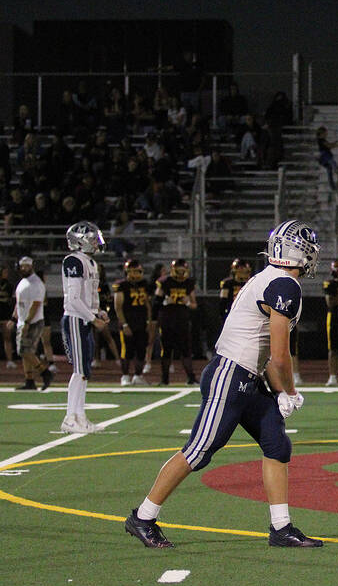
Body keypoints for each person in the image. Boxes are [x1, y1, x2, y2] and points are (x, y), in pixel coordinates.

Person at [124, 221, 322, 549]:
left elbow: (266, 354)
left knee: (277, 444)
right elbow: (279, 355)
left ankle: (281, 527)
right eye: (306, 248)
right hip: (230, 376)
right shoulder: (284, 285)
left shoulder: (272, 279)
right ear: (294, 252)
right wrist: (289, 391)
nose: (311, 253)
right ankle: (143, 517)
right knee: (200, 449)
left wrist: (277, 390)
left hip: (249, 376)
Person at [59, 222, 109, 432]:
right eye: (92, 239)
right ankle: (70, 417)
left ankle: (79, 416)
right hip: (75, 319)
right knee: (79, 371)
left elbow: (89, 295)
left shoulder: (89, 262)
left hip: (84, 319)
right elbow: (73, 299)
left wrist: (98, 312)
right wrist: (92, 317)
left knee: (84, 371)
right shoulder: (74, 261)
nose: (96, 244)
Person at [155, 259, 199, 385]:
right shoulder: (165, 282)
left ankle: (191, 378)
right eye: (178, 270)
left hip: (182, 320)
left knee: (186, 351)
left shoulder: (189, 283)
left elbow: (194, 305)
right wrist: (165, 301)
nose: (180, 273)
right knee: (167, 351)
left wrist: (188, 303)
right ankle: (164, 379)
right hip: (167, 320)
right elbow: (156, 302)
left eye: (182, 270)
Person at [13, 257, 54, 391]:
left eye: (26, 266)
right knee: (26, 351)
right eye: (22, 266)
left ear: (31, 266)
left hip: (33, 321)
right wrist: (14, 318)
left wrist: (27, 322)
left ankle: (45, 372)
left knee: (24, 351)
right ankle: (29, 380)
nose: (24, 268)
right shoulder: (23, 282)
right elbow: (19, 303)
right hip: (23, 321)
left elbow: (36, 305)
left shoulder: (36, 283)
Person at [113, 258, 153, 386]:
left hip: (141, 321)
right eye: (133, 271)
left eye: (138, 271)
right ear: (127, 272)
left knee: (141, 350)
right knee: (127, 351)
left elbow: (147, 304)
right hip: (128, 321)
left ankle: (138, 375)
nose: (136, 274)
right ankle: (125, 376)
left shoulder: (144, 284)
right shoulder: (122, 285)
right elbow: (118, 307)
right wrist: (124, 324)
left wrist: (148, 321)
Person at [218, 259, 253, 324]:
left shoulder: (252, 283)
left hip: (248, 313)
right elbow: (223, 301)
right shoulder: (228, 283)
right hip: (232, 312)